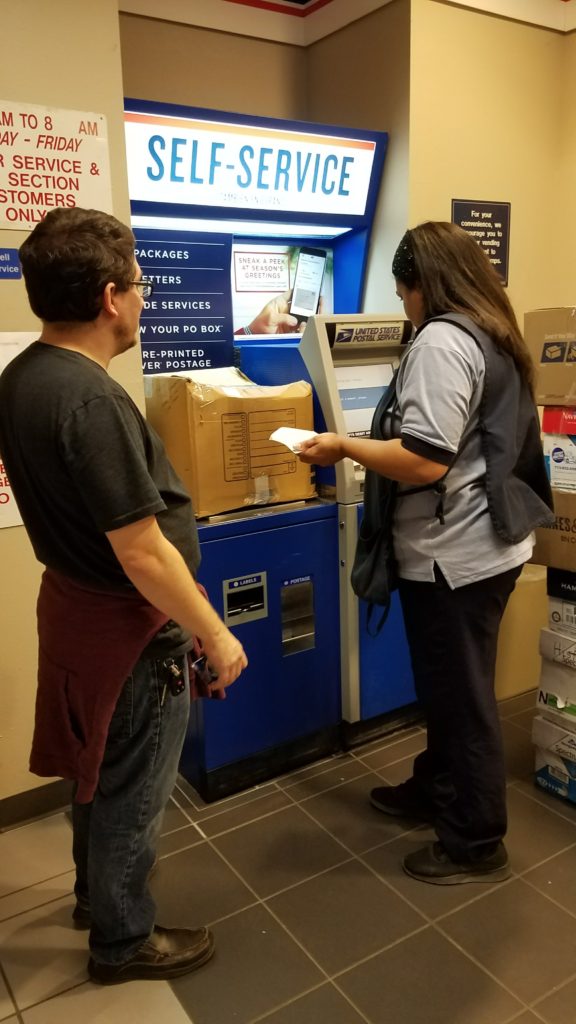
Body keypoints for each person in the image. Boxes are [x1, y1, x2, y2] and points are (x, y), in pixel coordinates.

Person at [0, 207, 247, 982]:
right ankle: (123, 937)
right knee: (134, 791)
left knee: (97, 768)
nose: (143, 301)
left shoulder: (23, 378)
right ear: (111, 297)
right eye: (138, 287)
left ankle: (93, 897)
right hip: (128, 633)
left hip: (76, 612)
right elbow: (142, 551)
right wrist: (215, 632)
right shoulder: (92, 401)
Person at [298, 221, 553, 885]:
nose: (404, 304)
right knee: (454, 689)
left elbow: (425, 460)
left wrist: (343, 445)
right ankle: (434, 787)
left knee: (460, 698)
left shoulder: (443, 340)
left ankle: (474, 837)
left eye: (404, 290)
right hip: (488, 545)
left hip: (453, 557)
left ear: (423, 284)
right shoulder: (491, 328)